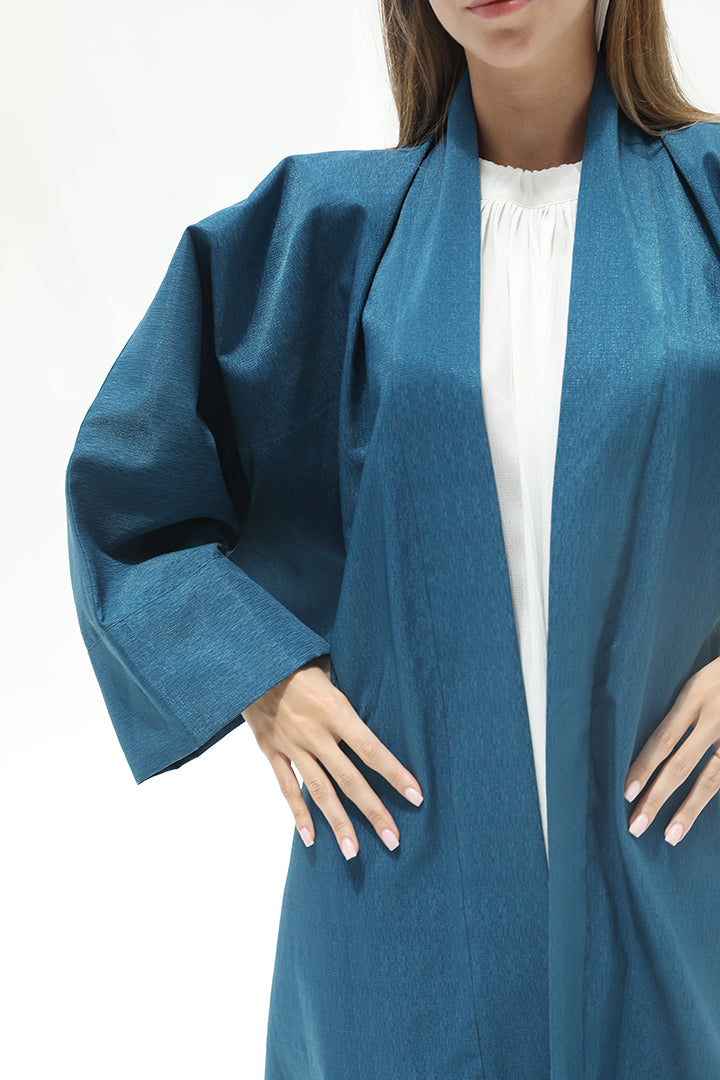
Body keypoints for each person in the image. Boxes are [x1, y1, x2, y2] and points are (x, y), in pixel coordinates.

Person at [65, 1, 720, 1076]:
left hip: (683, 872)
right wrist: (263, 676)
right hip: (399, 882)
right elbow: (132, 491)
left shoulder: (709, 203)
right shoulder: (326, 230)